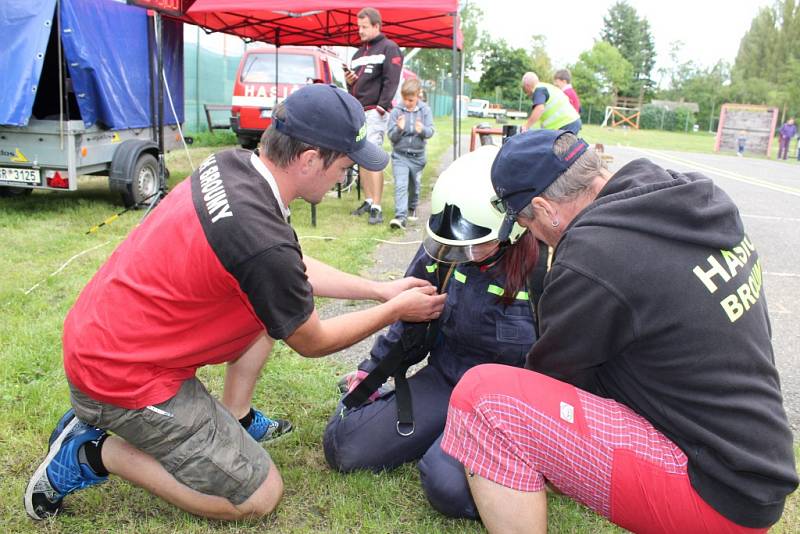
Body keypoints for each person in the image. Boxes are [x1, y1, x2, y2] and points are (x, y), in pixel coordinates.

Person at [24, 84, 446, 522]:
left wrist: (380, 289)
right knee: (257, 497)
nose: (347, 175)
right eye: (344, 164)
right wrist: (395, 311)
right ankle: (93, 452)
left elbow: (290, 271)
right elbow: (312, 339)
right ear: (308, 160)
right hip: (119, 376)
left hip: (105, 338)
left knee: (270, 309)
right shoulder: (259, 240)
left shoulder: (234, 166)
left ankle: (236, 415)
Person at [441, 129, 798, 533]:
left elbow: (551, 383)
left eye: (525, 222)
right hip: (755, 466)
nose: (531, 235)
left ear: (545, 209)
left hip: (713, 496)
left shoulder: (594, 256)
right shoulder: (680, 196)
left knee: (486, 401)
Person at [323, 145, 546, 519]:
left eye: (478, 243)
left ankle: (506, 459)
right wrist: (371, 371)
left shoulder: (546, 268)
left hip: (510, 403)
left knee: (449, 487)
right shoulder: (445, 248)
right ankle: (442, 431)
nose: (465, 253)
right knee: (347, 446)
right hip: (447, 378)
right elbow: (409, 320)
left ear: (514, 225)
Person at [346, 7, 403, 225]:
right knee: (361, 156)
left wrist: (381, 107)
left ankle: (377, 207)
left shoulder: (390, 48)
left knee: (372, 158)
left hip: (375, 112)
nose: (360, 31)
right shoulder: (358, 53)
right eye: (358, 27)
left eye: (364, 27)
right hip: (358, 111)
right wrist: (350, 82)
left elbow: (392, 80)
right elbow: (353, 86)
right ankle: (369, 201)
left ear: (376, 26)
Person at [387, 78, 434, 230]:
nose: (407, 102)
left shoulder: (425, 110)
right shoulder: (396, 112)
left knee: (414, 186)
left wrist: (423, 131)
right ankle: (400, 217)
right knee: (401, 185)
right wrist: (399, 129)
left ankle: (412, 206)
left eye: (411, 100)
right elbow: (391, 136)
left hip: (418, 157)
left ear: (418, 95)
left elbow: (430, 131)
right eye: (405, 99)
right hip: (400, 156)